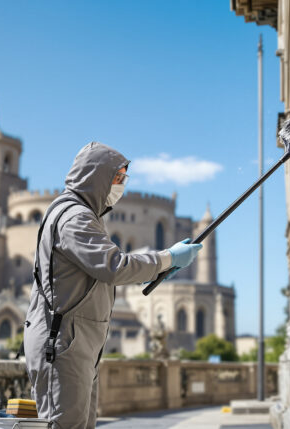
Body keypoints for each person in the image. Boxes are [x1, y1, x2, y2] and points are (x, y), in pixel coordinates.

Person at [23, 142, 202, 429]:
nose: (121, 186)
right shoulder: (75, 217)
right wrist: (166, 258)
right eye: (117, 179)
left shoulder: (84, 215)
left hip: (76, 342)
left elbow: (100, 272)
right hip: (63, 341)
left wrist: (157, 269)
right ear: (97, 177)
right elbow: (114, 266)